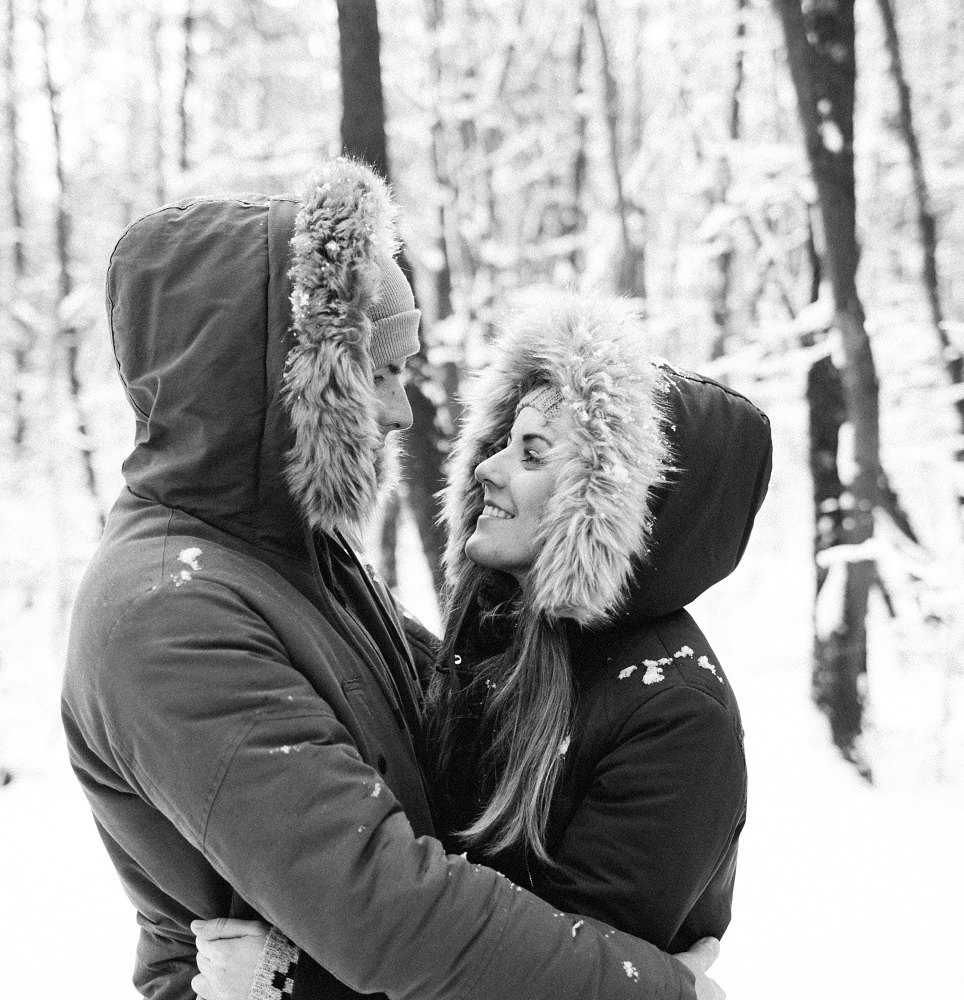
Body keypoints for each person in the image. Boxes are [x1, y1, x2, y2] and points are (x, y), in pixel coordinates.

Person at [62, 160, 722, 1000]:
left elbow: (447, 735)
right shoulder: (169, 610)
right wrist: (654, 991)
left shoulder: (287, 557)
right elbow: (383, 903)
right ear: (279, 383)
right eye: (376, 373)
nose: (401, 411)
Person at [193, 297, 772, 997]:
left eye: (533, 453)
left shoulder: (672, 716)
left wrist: (297, 982)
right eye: (504, 441)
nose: (487, 469)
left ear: (611, 504)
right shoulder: (500, 639)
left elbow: (555, 982)